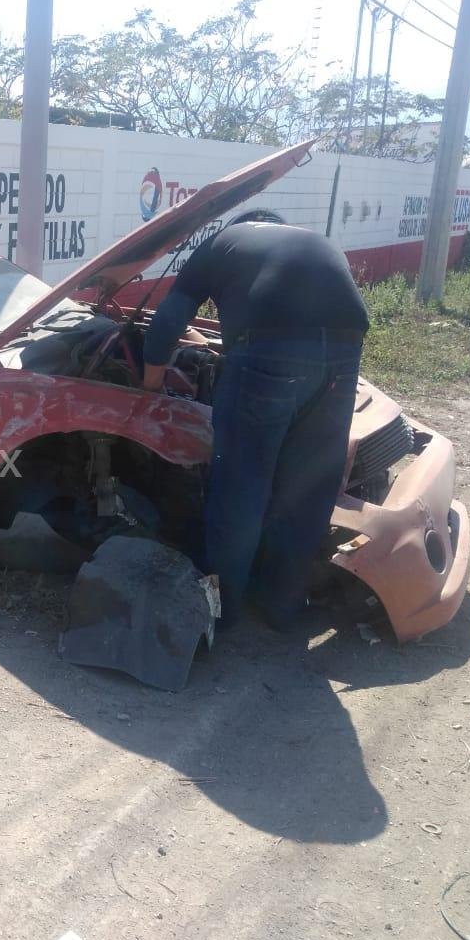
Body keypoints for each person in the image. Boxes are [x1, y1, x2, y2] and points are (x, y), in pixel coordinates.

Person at [141, 210, 369, 633]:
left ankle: (220, 610)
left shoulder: (220, 243)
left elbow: (167, 325)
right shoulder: (310, 237)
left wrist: (150, 387)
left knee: (241, 488)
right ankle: (282, 605)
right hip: (344, 353)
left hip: (269, 359)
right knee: (307, 490)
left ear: (239, 227)